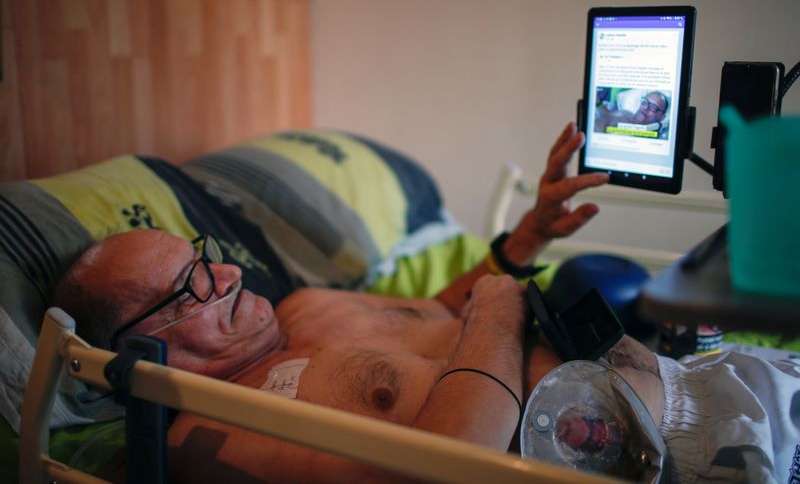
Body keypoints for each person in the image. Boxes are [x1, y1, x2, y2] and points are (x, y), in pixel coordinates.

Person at [54, 123, 799, 483]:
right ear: (134, 347)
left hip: (721, 384)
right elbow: (454, 465)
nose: (226, 278)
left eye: (204, 259)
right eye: (188, 288)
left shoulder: (308, 305)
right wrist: (500, 308)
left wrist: (526, 238)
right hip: (680, 466)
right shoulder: (211, 433)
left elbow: (435, 315)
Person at [596, 90, 669, 138]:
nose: (646, 107)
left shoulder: (656, 136)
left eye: (653, 107)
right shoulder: (625, 115)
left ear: (661, 116)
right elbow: (604, 116)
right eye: (645, 102)